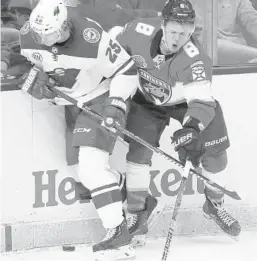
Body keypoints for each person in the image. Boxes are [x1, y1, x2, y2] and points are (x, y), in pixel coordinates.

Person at [106, 0, 242, 242]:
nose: (179, 38)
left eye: (185, 32)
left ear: (192, 30)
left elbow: (201, 101)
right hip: (147, 101)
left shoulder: (195, 58)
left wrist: (191, 128)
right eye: (174, 31)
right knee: (138, 154)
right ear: (163, 24)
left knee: (216, 156)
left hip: (188, 105)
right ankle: (138, 213)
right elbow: (109, 48)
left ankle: (214, 204)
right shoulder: (136, 31)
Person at [19, 0, 140, 259]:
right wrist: (33, 78)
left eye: (48, 33)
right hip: (71, 103)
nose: (41, 38)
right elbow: (28, 63)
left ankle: (118, 235)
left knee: (92, 168)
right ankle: (131, 194)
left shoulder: (91, 37)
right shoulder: (30, 34)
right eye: (37, 32)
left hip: (100, 99)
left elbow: (128, 69)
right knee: (78, 169)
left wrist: (116, 104)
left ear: (63, 26)